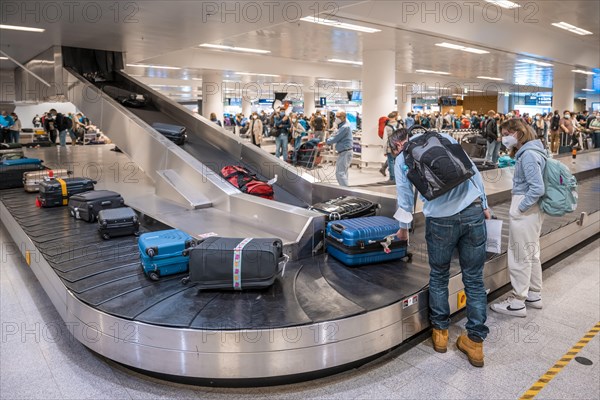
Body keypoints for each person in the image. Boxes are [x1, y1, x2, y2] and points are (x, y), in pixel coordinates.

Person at [391, 127, 491, 367]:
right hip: (472, 210)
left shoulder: (401, 157)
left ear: (397, 144)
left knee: (439, 275)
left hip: (440, 219)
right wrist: (484, 204)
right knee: (475, 278)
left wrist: (404, 227)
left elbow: (405, 196)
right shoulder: (442, 137)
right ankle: (475, 342)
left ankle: (441, 334)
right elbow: (472, 171)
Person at [491, 118, 546, 317]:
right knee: (531, 252)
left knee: (519, 255)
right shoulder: (534, 150)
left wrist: (519, 209)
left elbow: (537, 188)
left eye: (506, 133)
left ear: (518, 133)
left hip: (526, 208)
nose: (503, 137)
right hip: (533, 210)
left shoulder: (529, 155)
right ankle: (534, 294)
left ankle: (517, 302)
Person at [326, 111, 353, 186]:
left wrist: (326, 141)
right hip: (345, 152)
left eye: (339, 117)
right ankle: (346, 192)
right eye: (336, 117)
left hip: (345, 152)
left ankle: (345, 193)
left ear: (344, 117)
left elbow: (336, 138)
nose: (336, 118)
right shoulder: (342, 125)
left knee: (340, 173)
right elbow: (336, 134)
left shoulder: (345, 127)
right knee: (343, 173)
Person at [382, 111, 401, 182]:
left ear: (389, 118)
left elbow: (385, 139)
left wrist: (384, 150)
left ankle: (392, 178)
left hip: (390, 148)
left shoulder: (387, 127)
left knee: (391, 162)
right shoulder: (400, 126)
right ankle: (398, 178)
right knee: (398, 163)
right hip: (398, 148)